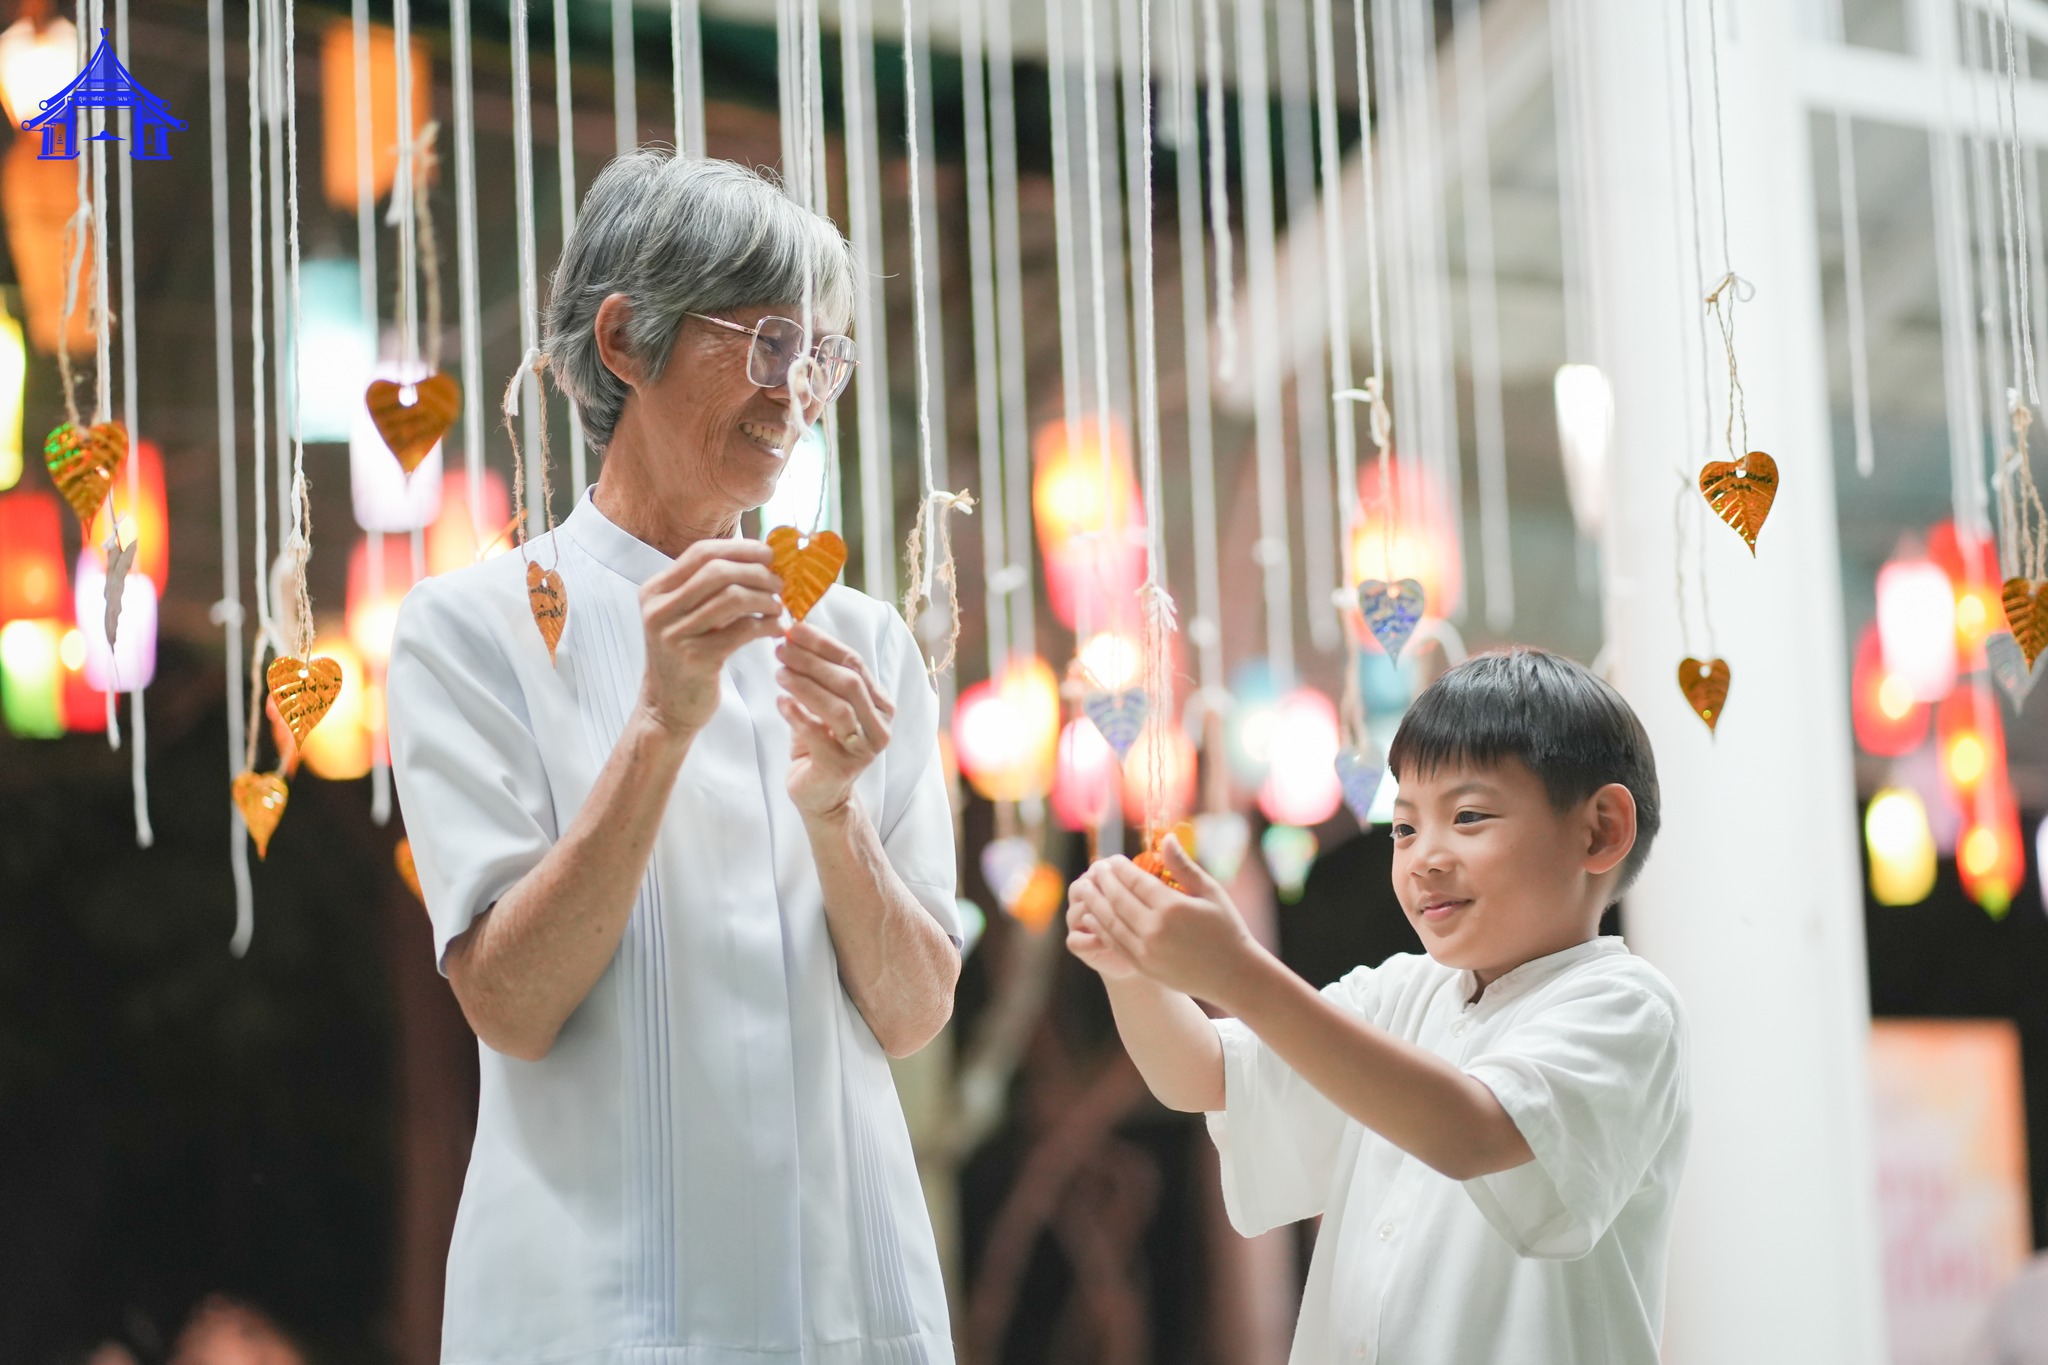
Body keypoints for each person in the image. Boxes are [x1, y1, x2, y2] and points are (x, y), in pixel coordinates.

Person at [387, 152, 962, 1364]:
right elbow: (508, 1005)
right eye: (765, 344)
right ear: (622, 342)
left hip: (848, 1306)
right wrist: (657, 725)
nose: (795, 393)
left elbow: (915, 1015)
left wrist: (834, 816)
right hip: (594, 1318)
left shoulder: (865, 641)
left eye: (820, 357)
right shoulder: (470, 629)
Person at [1067, 649, 1691, 1365]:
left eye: (1469, 815)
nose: (1424, 856)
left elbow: (1471, 1132)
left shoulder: (1627, 1006)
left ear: (1600, 829)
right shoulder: (1398, 991)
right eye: (1404, 828)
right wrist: (1132, 967)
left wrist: (1238, 973)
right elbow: (1205, 1074)